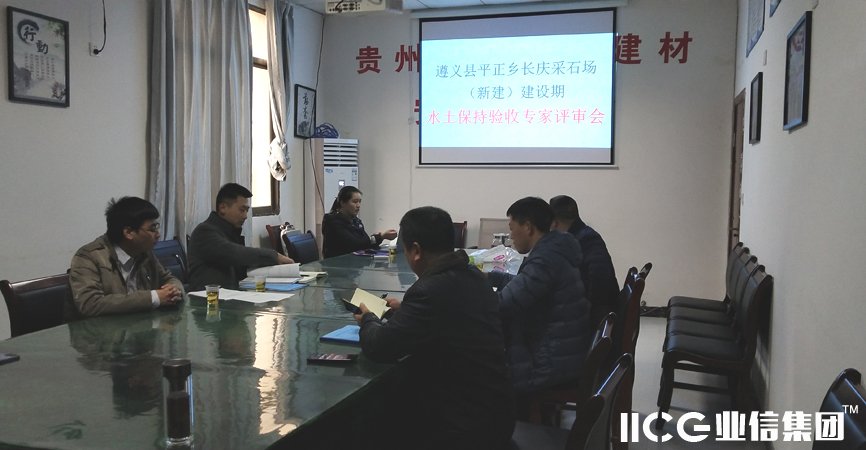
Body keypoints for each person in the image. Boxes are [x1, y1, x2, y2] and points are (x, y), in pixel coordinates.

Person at [355, 206, 514, 450]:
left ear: (416, 250)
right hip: (495, 410)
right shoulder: (472, 275)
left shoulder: (429, 290)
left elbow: (380, 347)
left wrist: (368, 319)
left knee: (367, 422)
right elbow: (448, 314)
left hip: (460, 425)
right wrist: (406, 309)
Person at [487, 197, 592, 397]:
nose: (511, 236)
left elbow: (504, 304)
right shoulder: (555, 250)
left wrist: (469, 296)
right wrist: (490, 277)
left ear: (528, 227)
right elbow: (526, 285)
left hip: (545, 363)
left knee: (477, 370)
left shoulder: (545, 260)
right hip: (563, 352)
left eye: (512, 229)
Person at [69, 197, 184, 317]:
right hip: (99, 328)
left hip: (139, 324)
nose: (158, 234)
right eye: (152, 228)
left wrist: (174, 290)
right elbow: (89, 304)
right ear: (128, 232)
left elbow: (168, 278)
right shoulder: (89, 257)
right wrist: (153, 297)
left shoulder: (145, 253)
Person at [187, 183, 294, 290]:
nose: (245, 216)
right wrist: (274, 256)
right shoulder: (204, 232)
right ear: (223, 208)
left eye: (247, 211)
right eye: (242, 210)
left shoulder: (229, 232)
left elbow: (242, 265)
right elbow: (235, 254)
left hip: (230, 295)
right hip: (208, 298)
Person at [550, 195, 619, 326]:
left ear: (555, 222)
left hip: (596, 317)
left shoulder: (586, 239)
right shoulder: (581, 235)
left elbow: (600, 279)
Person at [321, 186, 397, 258]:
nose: (358, 205)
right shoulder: (332, 221)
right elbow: (355, 244)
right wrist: (379, 237)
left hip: (354, 262)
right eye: (354, 202)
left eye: (359, 202)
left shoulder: (356, 221)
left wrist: (382, 236)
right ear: (342, 203)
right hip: (337, 264)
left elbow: (365, 243)